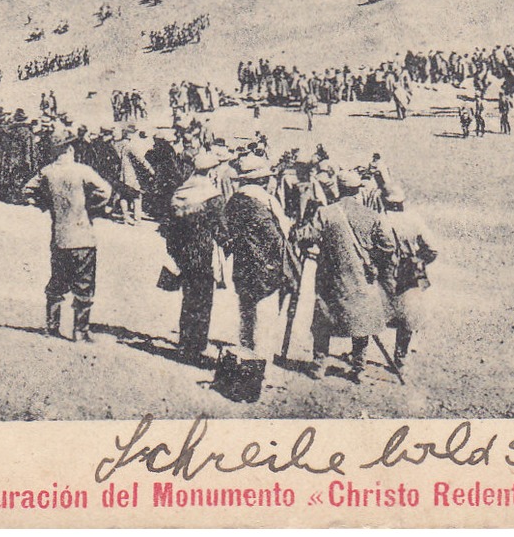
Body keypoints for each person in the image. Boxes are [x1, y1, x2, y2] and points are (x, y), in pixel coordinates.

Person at [297, 170, 394, 382]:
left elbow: (306, 236)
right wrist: (372, 261)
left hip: (330, 277)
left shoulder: (326, 213)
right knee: (362, 321)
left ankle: (318, 365)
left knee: (323, 319)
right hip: (361, 278)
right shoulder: (372, 215)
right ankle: (358, 368)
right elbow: (388, 246)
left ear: (339, 189)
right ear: (357, 190)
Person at [21, 132, 112, 342]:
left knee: (57, 282)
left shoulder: (47, 172)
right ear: (70, 149)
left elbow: (27, 191)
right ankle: (80, 331)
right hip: (83, 236)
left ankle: (52, 327)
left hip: (60, 237)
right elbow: (105, 191)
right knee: (84, 284)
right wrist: (90, 206)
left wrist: (47, 204)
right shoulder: (82, 170)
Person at [220, 155, 299, 355]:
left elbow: (224, 233)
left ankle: (245, 351)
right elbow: (280, 235)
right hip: (267, 267)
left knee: (246, 311)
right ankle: (259, 359)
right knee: (264, 316)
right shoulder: (266, 202)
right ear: (263, 180)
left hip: (242, 264)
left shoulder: (234, 201)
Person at [162, 150, 224, 364]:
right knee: (203, 300)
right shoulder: (212, 196)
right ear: (211, 171)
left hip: (182, 253)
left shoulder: (180, 192)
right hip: (202, 253)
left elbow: (168, 227)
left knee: (188, 298)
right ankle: (196, 346)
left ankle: (184, 342)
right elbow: (221, 229)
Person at [379, 190, 438, 371]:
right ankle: (400, 357)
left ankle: (360, 356)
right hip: (408, 273)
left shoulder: (379, 220)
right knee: (408, 315)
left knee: (375, 310)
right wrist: (419, 261)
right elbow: (432, 250)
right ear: (402, 202)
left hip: (384, 273)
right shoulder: (414, 220)